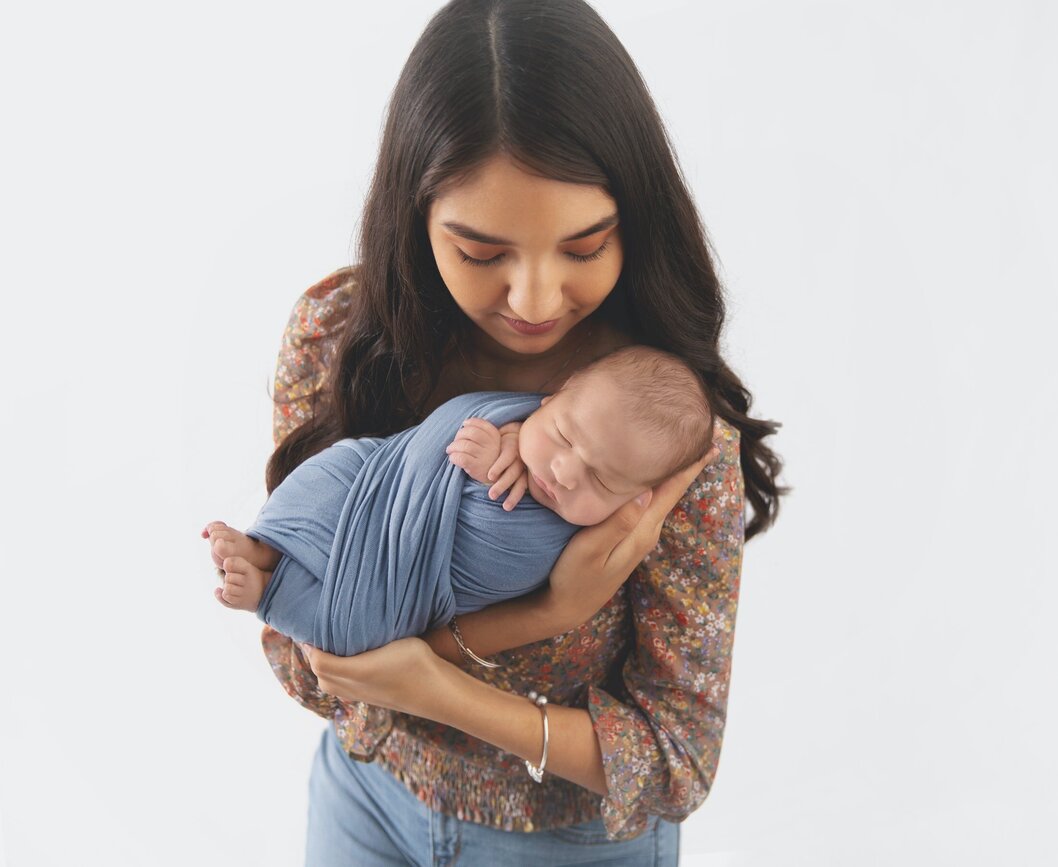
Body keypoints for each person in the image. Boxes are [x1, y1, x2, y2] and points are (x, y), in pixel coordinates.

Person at [235, 0, 783, 863]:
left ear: (633, 220)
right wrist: (544, 612)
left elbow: (678, 761)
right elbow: (305, 663)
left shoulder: (661, 434)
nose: (533, 301)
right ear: (415, 219)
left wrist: (439, 685)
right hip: (364, 801)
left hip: (565, 839)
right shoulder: (338, 338)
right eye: (482, 254)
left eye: (584, 246)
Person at [203, 347, 715, 653]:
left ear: (638, 499)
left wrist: (558, 608)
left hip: (408, 583)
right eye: (562, 435)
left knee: (354, 633)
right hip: (378, 483)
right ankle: (265, 546)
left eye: (602, 481)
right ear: (554, 394)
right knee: (336, 472)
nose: (563, 471)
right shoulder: (513, 421)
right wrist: (504, 435)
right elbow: (440, 441)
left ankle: (267, 594)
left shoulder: (603, 537)